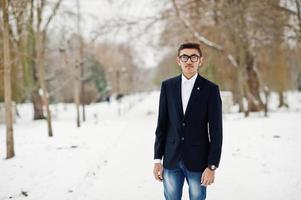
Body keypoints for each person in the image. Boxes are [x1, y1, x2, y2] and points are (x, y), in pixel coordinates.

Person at [153, 42, 223, 200]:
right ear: (179, 61)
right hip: (171, 160)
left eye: (194, 57)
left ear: (200, 60)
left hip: (198, 161)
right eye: (185, 57)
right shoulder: (168, 87)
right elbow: (161, 126)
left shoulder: (211, 90)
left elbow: (216, 132)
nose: (189, 61)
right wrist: (157, 159)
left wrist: (212, 166)